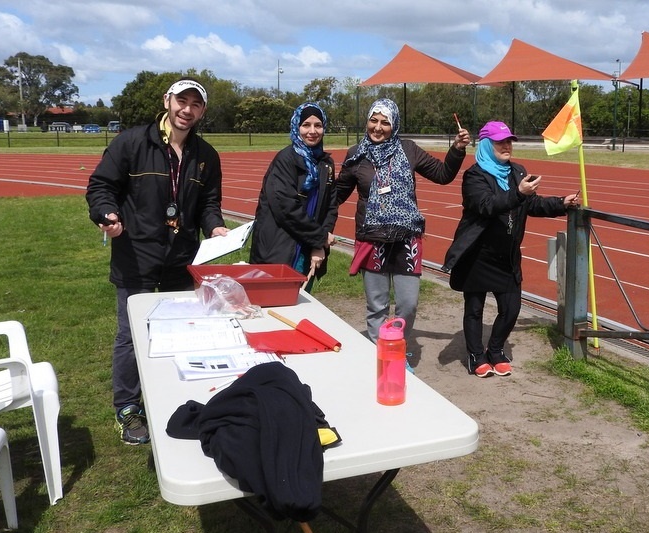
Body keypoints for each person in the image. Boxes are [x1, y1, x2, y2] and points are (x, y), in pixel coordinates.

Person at [86, 77, 229, 444]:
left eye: (196, 104)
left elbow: (209, 204)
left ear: (203, 111)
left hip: (181, 258)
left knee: (180, 332)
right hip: (136, 255)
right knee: (131, 336)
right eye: (182, 101)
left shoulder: (206, 155)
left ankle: (170, 397)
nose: (187, 110)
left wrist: (215, 228)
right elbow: (102, 186)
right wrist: (107, 214)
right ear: (168, 101)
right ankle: (128, 409)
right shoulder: (133, 142)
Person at [442, 121, 580, 378]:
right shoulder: (474, 176)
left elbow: (532, 204)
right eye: (499, 142)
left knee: (511, 307)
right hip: (477, 254)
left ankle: (495, 350)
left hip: (506, 256)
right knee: (474, 309)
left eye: (509, 141)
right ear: (486, 144)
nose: (507, 146)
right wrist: (518, 193)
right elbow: (486, 205)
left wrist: (561, 203)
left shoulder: (518, 171)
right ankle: (475, 355)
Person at [336, 98, 471, 348]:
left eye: (385, 122)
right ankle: (379, 355)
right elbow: (337, 195)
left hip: (407, 239)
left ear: (394, 124)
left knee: (408, 304)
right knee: (376, 305)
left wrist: (457, 150)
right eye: (373, 121)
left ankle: (397, 349)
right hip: (372, 238)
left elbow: (443, 175)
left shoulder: (408, 149)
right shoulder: (356, 154)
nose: (378, 127)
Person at [249, 102, 338, 291]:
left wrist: (319, 246)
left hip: (310, 247)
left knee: (302, 305)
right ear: (297, 126)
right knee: (274, 306)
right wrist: (320, 238)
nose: (312, 131)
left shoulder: (326, 163)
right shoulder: (285, 160)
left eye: (318, 125)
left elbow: (330, 207)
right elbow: (285, 209)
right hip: (280, 248)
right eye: (306, 125)